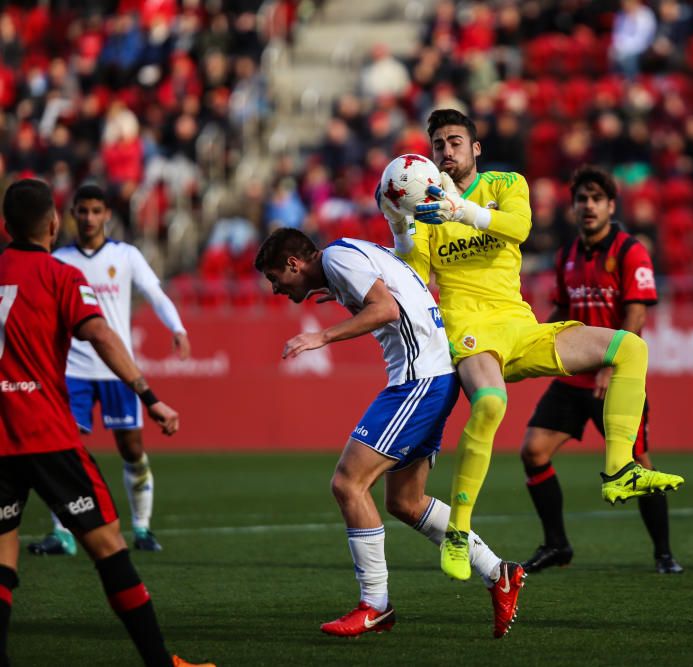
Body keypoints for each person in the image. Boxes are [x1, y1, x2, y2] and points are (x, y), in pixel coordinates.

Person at [379, 108, 684, 581]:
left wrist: (460, 208)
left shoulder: (506, 185)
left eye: (456, 141)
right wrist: (401, 229)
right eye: (438, 144)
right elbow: (417, 280)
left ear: (475, 148)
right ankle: (458, 532)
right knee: (491, 405)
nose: (447, 151)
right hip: (470, 331)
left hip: (520, 326)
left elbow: (518, 228)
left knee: (630, 349)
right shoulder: (426, 216)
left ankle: (620, 468)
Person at [253, 228, 525, 638]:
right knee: (405, 501)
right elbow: (392, 292)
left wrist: (321, 336)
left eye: (276, 278)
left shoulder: (337, 260)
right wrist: (342, 293)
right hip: (434, 376)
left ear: (294, 264)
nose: (275, 289)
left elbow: (386, 310)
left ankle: (375, 605)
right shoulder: (345, 256)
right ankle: (497, 571)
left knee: (348, 483)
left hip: (418, 381)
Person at [0, 178, 211, 667]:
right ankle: (160, 662)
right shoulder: (60, 275)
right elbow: (101, 334)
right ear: (55, 223)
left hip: (2, 437)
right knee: (109, 546)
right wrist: (150, 395)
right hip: (45, 432)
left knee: (3, 557)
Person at [518, 165, 681, 575]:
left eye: (595, 199)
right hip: (573, 378)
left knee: (638, 463)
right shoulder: (567, 256)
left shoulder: (630, 251)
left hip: (613, 379)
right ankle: (557, 545)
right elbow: (561, 311)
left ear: (611, 205)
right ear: (573, 208)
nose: (587, 206)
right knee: (533, 450)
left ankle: (664, 555)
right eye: (581, 200)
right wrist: (529, 338)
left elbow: (637, 314)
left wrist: (613, 367)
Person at [28, 184, 190, 556]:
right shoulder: (59, 259)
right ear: (71, 215)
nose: (88, 218)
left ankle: (142, 528)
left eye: (95, 211)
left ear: (107, 215)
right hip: (72, 371)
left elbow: (154, 293)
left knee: (132, 449)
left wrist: (177, 327)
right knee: (63, 449)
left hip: (118, 370)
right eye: (82, 211)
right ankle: (63, 533)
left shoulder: (126, 255)